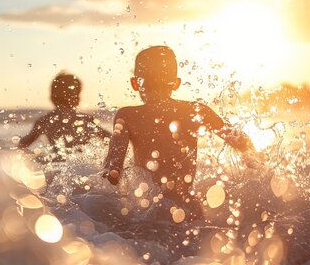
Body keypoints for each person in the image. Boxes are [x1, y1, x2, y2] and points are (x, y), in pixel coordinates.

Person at [103, 46, 260, 219]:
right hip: (187, 207)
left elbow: (113, 167)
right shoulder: (196, 111)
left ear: (135, 83)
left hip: (148, 209)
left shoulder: (127, 116)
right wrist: (253, 158)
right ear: (176, 83)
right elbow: (238, 139)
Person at [18, 72, 110, 159]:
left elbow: (22, 145)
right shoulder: (86, 120)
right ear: (77, 98)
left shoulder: (44, 121)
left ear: (53, 97)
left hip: (58, 167)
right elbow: (111, 140)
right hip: (84, 169)